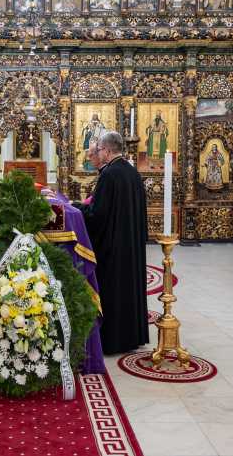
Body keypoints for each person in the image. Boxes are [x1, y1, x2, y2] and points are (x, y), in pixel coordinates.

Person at [78, 131, 148, 354]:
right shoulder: (132, 172)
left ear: (107, 151)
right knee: (130, 288)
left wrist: (77, 208)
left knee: (114, 289)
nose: (98, 153)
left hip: (114, 246)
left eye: (99, 150)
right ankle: (132, 337)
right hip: (131, 244)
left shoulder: (110, 175)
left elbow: (97, 215)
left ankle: (113, 340)